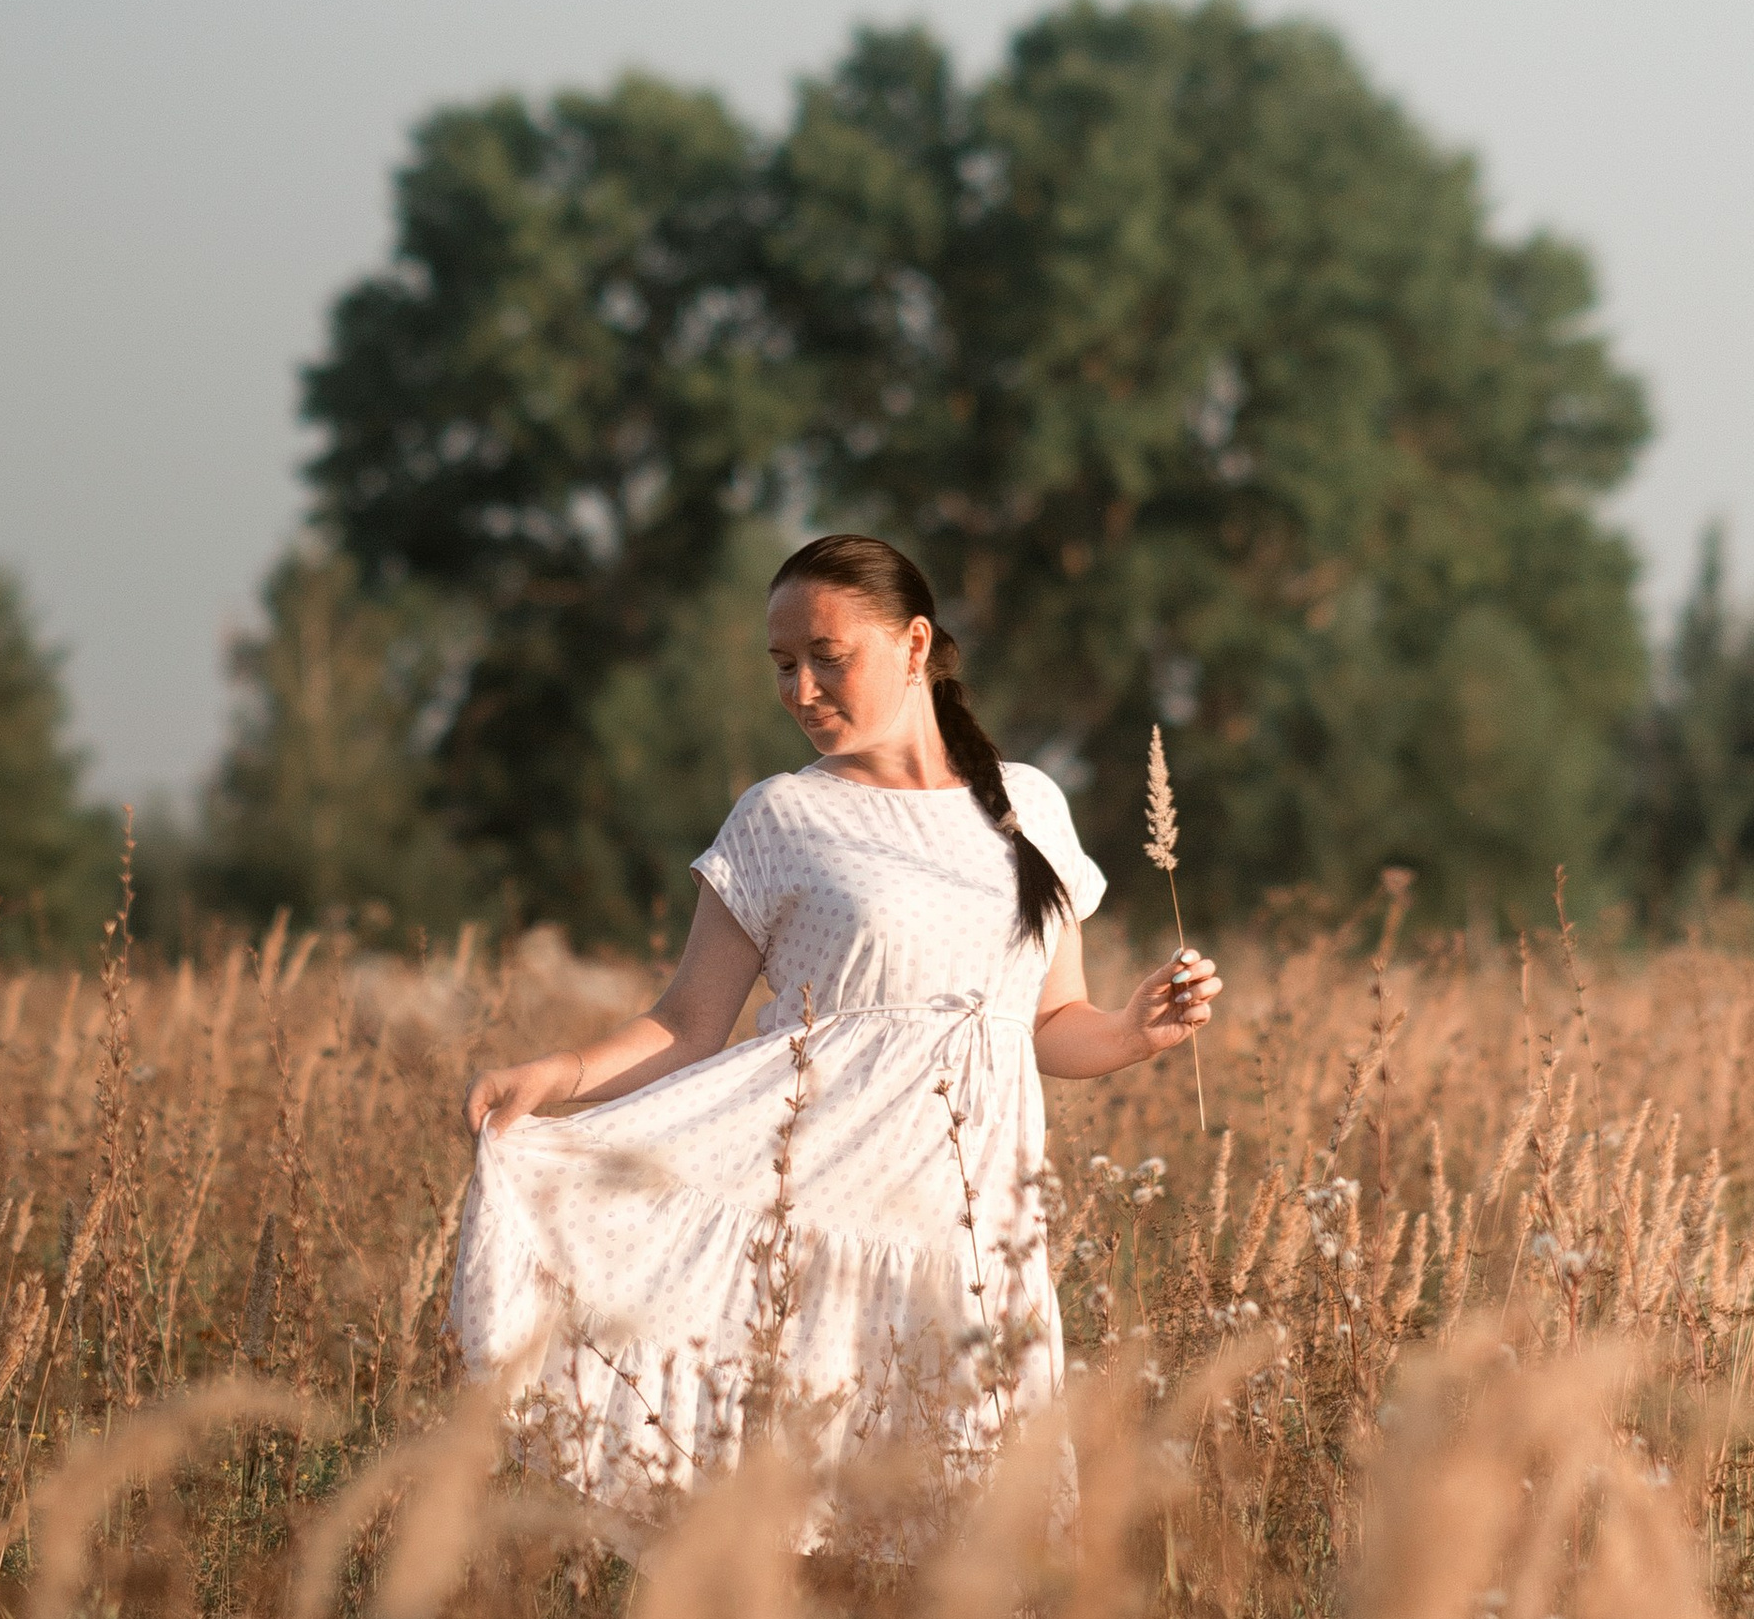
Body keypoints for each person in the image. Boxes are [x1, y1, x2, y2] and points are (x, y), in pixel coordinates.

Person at [448, 533, 1222, 1505]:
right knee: (807, 1512)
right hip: (813, 1220)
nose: (801, 687)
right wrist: (553, 1079)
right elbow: (689, 1021)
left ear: (913, 645)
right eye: (782, 664)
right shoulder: (779, 818)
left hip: (974, 1240)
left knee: (975, 1526)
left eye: (827, 656)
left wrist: (1137, 1030)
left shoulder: (1028, 804)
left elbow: (1047, 1020)